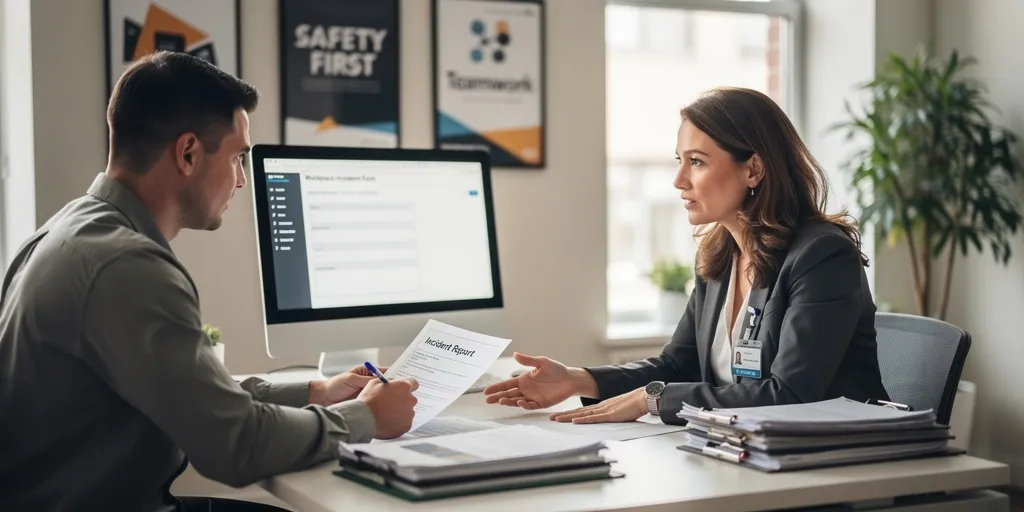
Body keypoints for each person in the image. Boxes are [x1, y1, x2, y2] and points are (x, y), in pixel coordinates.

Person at [0, 51, 419, 512]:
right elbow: (235, 446)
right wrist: (365, 418)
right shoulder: (127, 267)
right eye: (239, 156)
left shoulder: (69, 231)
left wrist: (315, 392)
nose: (242, 180)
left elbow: (186, 392)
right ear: (187, 153)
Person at [484, 86, 890, 425]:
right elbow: (677, 366)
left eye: (696, 162)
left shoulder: (821, 255)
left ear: (753, 170)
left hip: (834, 465)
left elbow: (791, 394)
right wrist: (578, 379)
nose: (679, 180)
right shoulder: (719, 256)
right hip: (743, 453)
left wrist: (653, 399)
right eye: (680, 161)